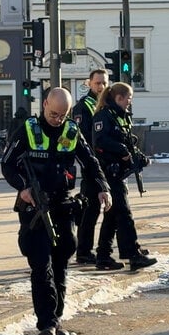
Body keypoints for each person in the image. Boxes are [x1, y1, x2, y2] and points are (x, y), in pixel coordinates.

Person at [1, 87, 112, 335]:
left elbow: (91, 163)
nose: (57, 119)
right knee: (41, 265)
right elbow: (7, 164)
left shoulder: (72, 132)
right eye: (53, 114)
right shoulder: (27, 130)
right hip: (34, 208)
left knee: (61, 264)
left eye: (62, 115)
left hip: (63, 205)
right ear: (44, 105)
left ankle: (56, 319)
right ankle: (46, 323)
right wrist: (23, 188)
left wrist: (103, 189)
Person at [92, 82, 158, 271]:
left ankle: (103, 256)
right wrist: (123, 152)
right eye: (128, 98)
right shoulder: (103, 116)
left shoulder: (119, 116)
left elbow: (126, 141)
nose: (130, 102)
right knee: (124, 215)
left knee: (112, 216)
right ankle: (133, 255)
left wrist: (139, 158)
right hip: (109, 172)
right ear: (119, 98)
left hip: (119, 172)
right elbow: (101, 141)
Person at [72, 68, 109, 264]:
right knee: (90, 209)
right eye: (97, 83)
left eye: (104, 83)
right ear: (89, 83)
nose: (101, 86)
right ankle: (84, 251)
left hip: (105, 165)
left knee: (109, 209)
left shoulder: (105, 104)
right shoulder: (83, 106)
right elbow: (82, 137)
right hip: (92, 165)